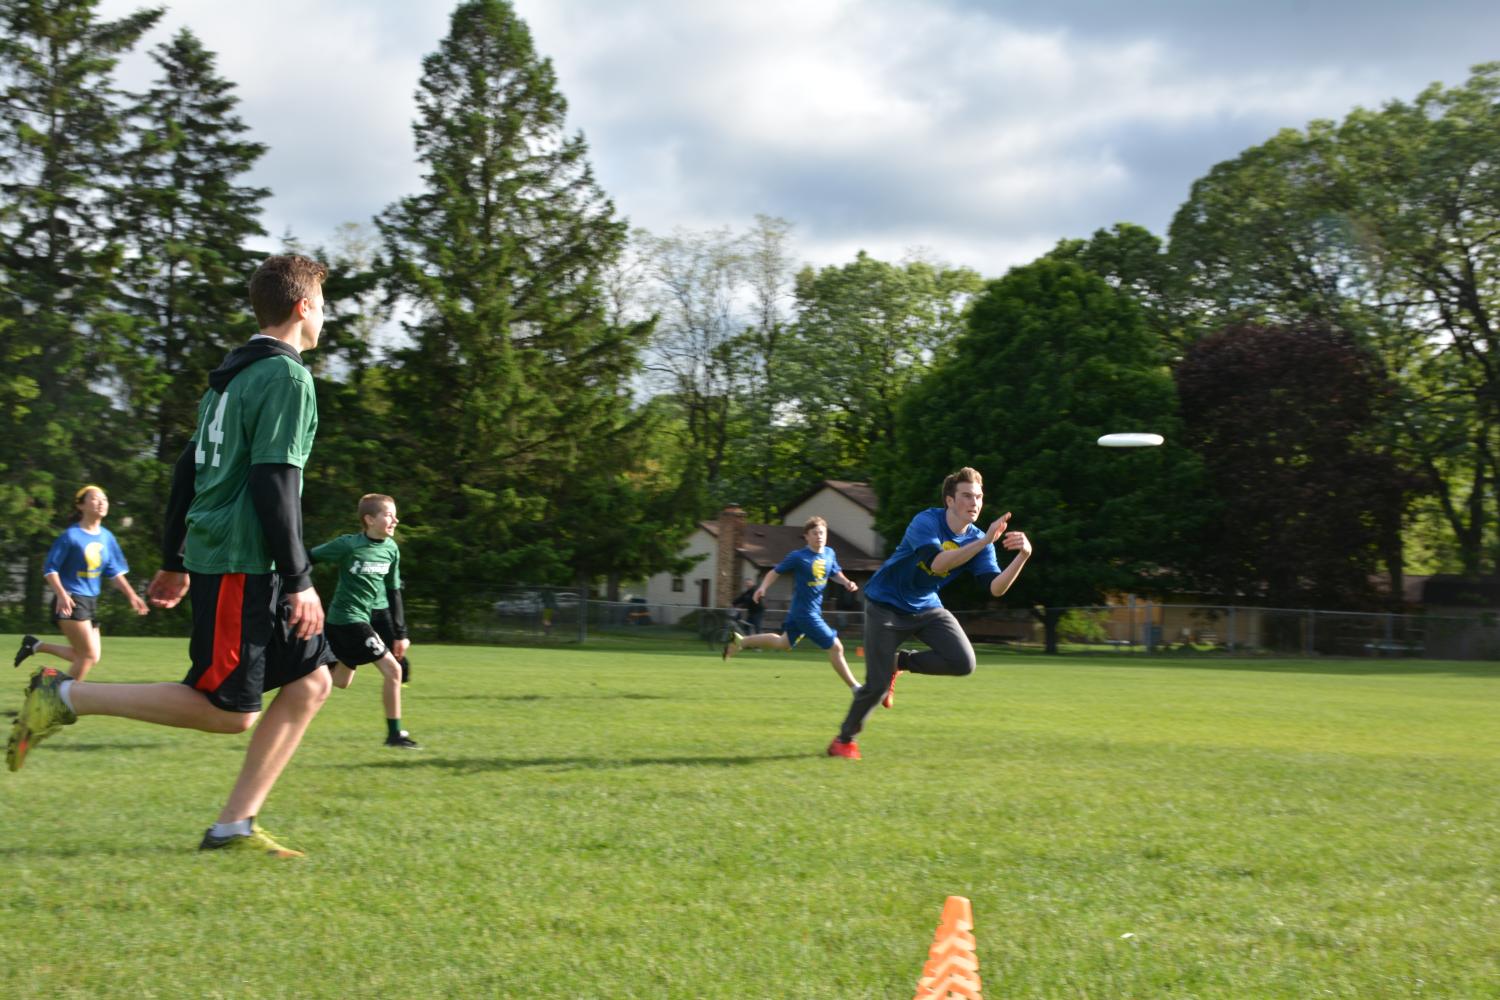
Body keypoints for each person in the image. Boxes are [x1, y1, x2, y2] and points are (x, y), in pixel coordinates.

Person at [7, 254, 335, 858]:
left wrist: (172, 556)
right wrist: (300, 579)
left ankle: (233, 826)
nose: (325, 317)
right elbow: (273, 482)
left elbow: (188, 468)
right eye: (323, 304)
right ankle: (64, 695)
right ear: (303, 307)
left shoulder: (231, 379)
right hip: (244, 561)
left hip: (228, 554)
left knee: (312, 682)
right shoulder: (287, 378)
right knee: (229, 709)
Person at [826, 467, 1032, 760]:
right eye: (966, 496)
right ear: (950, 500)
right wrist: (985, 542)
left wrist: (1023, 556)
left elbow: (996, 588)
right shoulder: (926, 521)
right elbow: (936, 564)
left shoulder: (978, 539)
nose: (974, 503)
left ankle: (901, 662)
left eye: (979, 497)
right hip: (885, 604)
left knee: (964, 662)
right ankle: (843, 741)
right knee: (876, 685)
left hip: (926, 606)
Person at [311, 494, 418, 748]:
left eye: (395, 514)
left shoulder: (391, 549)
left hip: (365, 619)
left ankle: (303, 667)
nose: (396, 520)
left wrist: (400, 633)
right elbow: (306, 558)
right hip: (346, 619)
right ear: (369, 519)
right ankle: (395, 735)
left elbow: (394, 592)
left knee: (340, 681)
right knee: (394, 670)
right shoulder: (348, 545)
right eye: (389, 515)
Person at [14, 485, 149, 680]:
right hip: (71, 599)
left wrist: (132, 595)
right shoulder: (71, 536)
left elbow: (114, 572)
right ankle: (63, 699)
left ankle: (36, 648)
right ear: (81, 506)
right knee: (87, 656)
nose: (102, 502)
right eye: (95, 499)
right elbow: (50, 569)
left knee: (91, 657)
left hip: (91, 600)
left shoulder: (107, 537)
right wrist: (61, 594)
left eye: (105, 499)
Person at [723, 517, 861, 691]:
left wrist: (847, 582)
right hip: (805, 613)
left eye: (822, 533)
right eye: (815, 533)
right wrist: (762, 588)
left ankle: (741, 641)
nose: (819, 536)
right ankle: (856, 689)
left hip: (808, 611)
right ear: (806, 536)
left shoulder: (829, 553)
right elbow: (775, 572)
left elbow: (834, 572)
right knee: (836, 647)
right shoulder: (798, 556)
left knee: (783, 643)